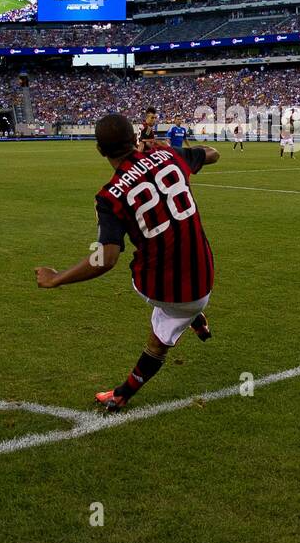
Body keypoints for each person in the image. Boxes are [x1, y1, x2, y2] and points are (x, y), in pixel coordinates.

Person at [36, 114, 219, 411]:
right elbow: (213, 154)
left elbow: (105, 259)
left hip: (171, 290)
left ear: (99, 150)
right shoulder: (168, 155)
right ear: (136, 138)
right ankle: (193, 317)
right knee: (170, 287)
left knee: (157, 336)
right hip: (206, 272)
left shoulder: (110, 195)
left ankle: (122, 393)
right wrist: (164, 149)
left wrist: (57, 278)